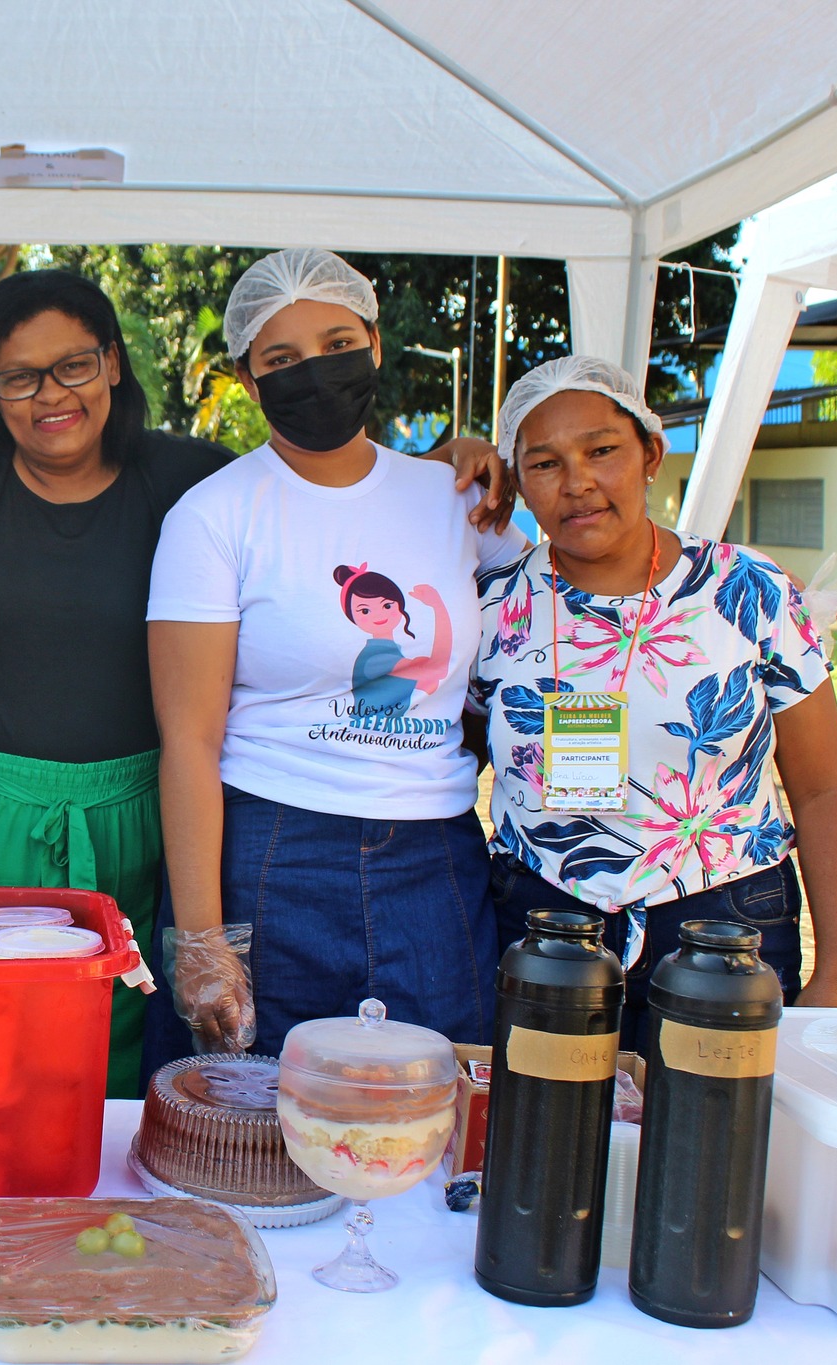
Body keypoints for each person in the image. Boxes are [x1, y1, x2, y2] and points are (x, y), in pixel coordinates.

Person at [0, 269, 510, 1097]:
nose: (51, 393)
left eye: (75, 365)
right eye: (20, 376)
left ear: (114, 363)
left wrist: (440, 466)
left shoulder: (188, 477)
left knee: (130, 1038)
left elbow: (323, 489)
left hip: (147, 812)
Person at [150, 248, 528, 1060]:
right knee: (254, 1112)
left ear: (375, 346)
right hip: (273, 851)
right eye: (282, 359)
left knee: (431, 1102)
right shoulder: (213, 515)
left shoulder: (455, 499)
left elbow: (551, 621)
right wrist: (202, 937)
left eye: (337, 345)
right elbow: (189, 741)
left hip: (435, 856)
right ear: (248, 380)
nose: (315, 373)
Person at [472, 357, 837, 1048]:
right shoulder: (492, 607)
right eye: (545, 463)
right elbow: (451, 760)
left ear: (651, 454)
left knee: (713, 1117)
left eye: (602, 450)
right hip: (541, 919)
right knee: (546, 1114)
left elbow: (825, 788)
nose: (578, 482)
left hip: (726, 921)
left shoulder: (748, 591)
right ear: (517, 482)